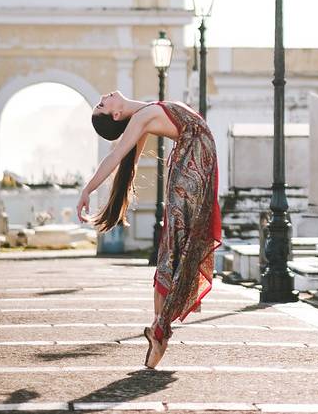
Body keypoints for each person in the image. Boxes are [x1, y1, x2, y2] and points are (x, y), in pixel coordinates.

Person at [77, 91, 222, 369]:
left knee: (175, 246)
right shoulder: (143, 117)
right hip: (190, 168)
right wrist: (88, 190)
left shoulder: (143, 114)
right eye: (102, 105)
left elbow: (126, 161)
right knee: (174, 247)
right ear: (115, 115)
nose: (104, 97)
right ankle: (161, 327)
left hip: (193, 165)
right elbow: (117, 156)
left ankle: (161, 327)